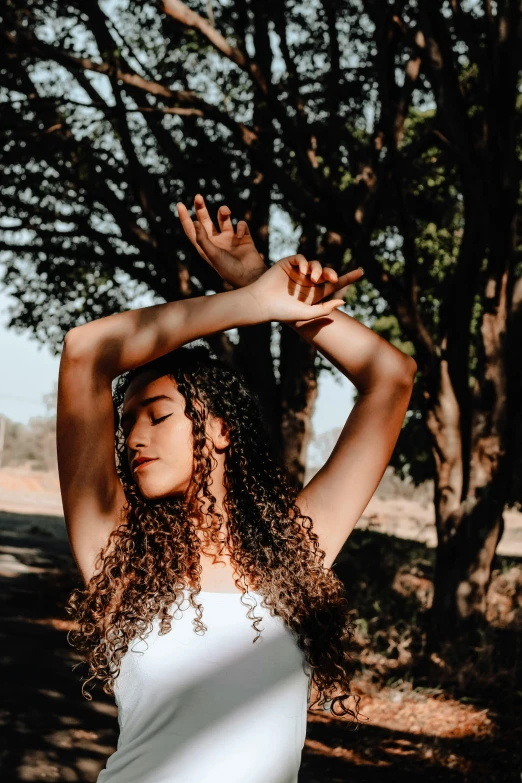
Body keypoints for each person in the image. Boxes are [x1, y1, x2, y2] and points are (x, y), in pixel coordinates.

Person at [58, 194, 416, 783]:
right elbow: (85, 352)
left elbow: (391, 377)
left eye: (157, 415)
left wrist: (279, 296)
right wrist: (250, 301)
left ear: (220, 428)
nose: (132, 440)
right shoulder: (117, 554)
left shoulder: (297, 554)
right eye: (125, 425)